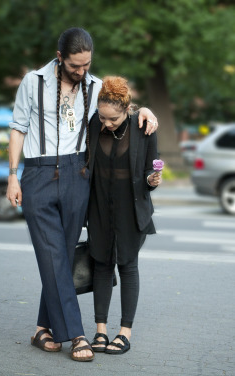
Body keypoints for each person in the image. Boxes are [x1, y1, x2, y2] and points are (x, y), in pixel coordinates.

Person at [6, 27, 158, 362]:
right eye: (76, 65)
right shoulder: (33, 82)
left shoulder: (93, 85)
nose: (82, 71)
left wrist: (144, 111)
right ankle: (76, 334)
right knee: (52, 254)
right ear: (60, 58)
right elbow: (18, 129)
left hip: (78, 176)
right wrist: (13, 177)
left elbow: (119, 110)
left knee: (61, 253)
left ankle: (42, 329)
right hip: (38, 173)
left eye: (87, 64)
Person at [88, 76, 162, 355]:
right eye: (102, 117)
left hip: (131, 207)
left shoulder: (144, 127)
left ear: (128, 109)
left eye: (113, 119)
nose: (106, 123)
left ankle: (124, 332)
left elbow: (148, 171)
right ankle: (100, 330)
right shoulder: (95, 123)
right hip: (99, 206)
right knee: (101, 264)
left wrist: (153, 179)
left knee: (128, 265)